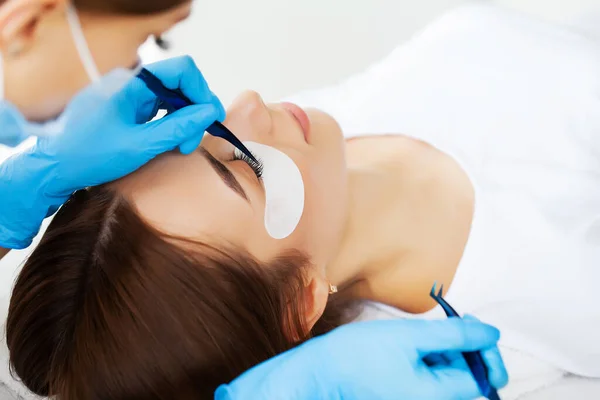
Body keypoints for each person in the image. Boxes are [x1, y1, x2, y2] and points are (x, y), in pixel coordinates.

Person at [0, 1, 508, 399]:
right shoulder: (511, 318)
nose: (246, 101)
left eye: (203, 133)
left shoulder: (321, 134)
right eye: (249, 167)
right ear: (300, 301)